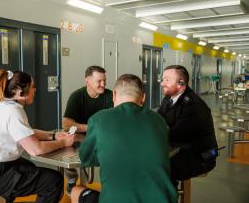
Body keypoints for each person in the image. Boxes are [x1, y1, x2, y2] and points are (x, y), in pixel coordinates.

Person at [0, 69, 75, 203]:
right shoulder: (14, 111)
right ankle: (0, 195)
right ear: (20, 91)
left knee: (29, 168)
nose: (35, 90)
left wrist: (53, 135)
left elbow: (26, 132)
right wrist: (63, 143)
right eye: (32, 87)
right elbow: (36, 150)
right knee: (53, 181)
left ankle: (0, 199)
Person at [71, 74, 178, 203]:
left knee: (75, 191)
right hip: (164, 199)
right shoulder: (159, 120)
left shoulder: (98, 119)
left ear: (114, 95)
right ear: (143, 98)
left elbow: (87, 159)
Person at [157, 65, 218, 183]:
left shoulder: (194, 107)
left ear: (181, 83)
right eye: (162, 79)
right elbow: (158, 119)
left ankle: (168, 197)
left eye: (167, 80)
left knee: (153, 168)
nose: (162, 83)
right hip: (181, 149)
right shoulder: (168, 98)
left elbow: (173, 135)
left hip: (199, 158)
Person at [62, 65, 113, 195]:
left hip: (103, 136)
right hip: (79, 137)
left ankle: (110, 187)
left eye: (104, 81)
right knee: (67, 151)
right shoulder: (77, 96)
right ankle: (72, 180)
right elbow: (67, 124)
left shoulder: (110, 96)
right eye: (99, 81)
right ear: (87, 80)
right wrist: (89, 127)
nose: (103, 84)